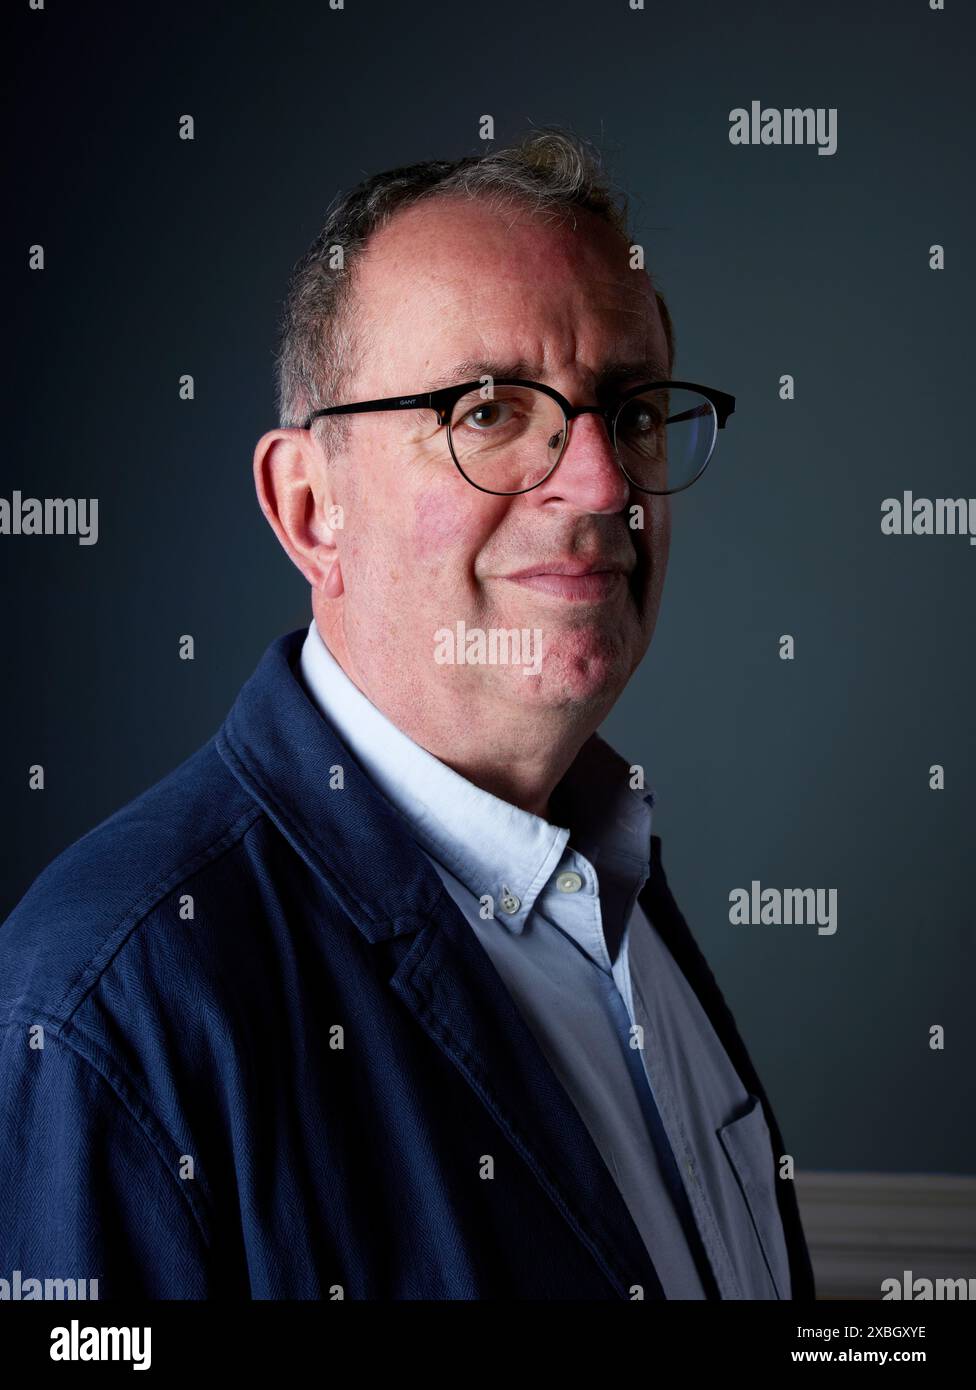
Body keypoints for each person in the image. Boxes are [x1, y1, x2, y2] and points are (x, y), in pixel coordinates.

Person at [0, 129, 814, 1300]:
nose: (598, 485)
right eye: (488, 410)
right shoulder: (109, 1001)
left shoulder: (614, 884)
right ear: (311, 507)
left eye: (630, 411)